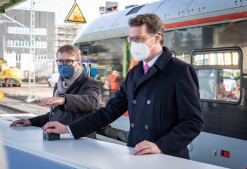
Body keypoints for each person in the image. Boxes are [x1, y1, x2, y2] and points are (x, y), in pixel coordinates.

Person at [42, 14, 204, 159]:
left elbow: (193, 122)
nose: (134, 43)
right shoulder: (135, 73)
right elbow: (109, 112)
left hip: (167, 158)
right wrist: (69, 129)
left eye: (139, 38)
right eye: (131, 39)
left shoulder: (180, 71)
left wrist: (160, 146)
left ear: (157, 38)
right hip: (136, 154)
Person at [10, 45, 100, 138]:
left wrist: (64, 100)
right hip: (61, 142)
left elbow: (92, 102)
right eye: (60, 61)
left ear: (79, 63)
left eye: (69, 61)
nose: (64, 65)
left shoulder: (88, 82)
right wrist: (31, 121)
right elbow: (55, 114)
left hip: (81, 142)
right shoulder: (59, 84)